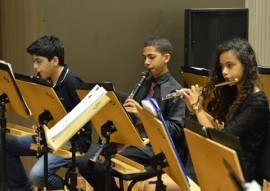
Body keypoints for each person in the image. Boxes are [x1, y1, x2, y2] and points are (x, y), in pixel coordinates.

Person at [77, 36, 186, 191]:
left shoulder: (175, 90)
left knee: (102, 167)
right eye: (145, 58)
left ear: (166, 57)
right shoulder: (146, 83)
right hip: (131, 141)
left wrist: (144, 116)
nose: (147, 62)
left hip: (153, 149)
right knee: (84, 163)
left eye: (151, 57)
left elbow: (176, 130)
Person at [3, 35, 92, 190]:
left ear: (55, 61)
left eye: (39, 62)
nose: (35, 67)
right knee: (4, 145)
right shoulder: (46, 80)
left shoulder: (72, 81)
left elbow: (85, 119)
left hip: (73, 142)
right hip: (50, 136)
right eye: (34, 62)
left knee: (37, 175)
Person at [178, 37, 269, 185]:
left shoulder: (258, 103)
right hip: (223, 164)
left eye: (230, 65)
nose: (224, 72)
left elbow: (220, 141)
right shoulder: (236, 93)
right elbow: (222, 128)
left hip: (240, 173)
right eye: (222, 66)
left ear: (246, 65)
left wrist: (198, 109)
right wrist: (196, 110)